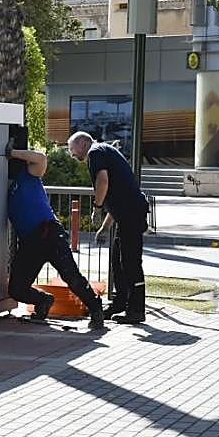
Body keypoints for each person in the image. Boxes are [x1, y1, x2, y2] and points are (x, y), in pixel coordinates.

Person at [6, 144, 105, 331]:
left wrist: (13, 152)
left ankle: (96, 309)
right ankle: (43, 300)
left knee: (72, 277)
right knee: (16, 289)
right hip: (31, 241)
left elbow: (41, 158)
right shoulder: (7, 189)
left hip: (49, 233)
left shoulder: (30, 174)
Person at [68, 131, 150, 324]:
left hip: (131, 215)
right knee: (118, 260)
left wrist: (96, 208)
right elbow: (117, 197)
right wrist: (105, 227)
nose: (72, 155)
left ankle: (136, 309)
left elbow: (102, 182)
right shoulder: (105, 151)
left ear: (82, 144)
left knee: (130, 262)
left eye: (72, 150)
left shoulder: (95, 153)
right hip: (128, 213)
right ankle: (120, 302)